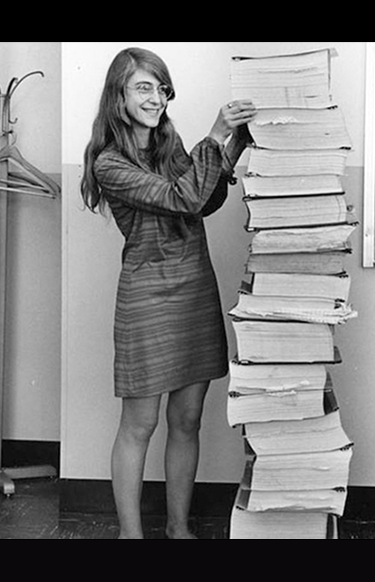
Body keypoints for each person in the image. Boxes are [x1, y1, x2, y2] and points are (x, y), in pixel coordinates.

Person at [80, 47, 257, 539]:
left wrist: (232, 145)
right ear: (118, 94)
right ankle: (130, 537)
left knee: (188, 417)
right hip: (147, 295)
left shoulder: (170, 144)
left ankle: (178, 529)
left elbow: (204, 199)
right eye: (143, 87)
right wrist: (216, 136)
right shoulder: (108, 163)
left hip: (193, 288)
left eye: (160, 88)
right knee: (140, 423)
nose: (156, 97)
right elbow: (181, 197)